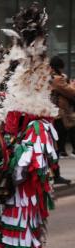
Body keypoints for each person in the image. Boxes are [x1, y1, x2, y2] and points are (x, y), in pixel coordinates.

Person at [0, 5, 58, 248]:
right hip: (30, 192)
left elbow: (28, 164)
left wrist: (8, 170)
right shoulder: (34, 127)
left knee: (20, 228)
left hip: (26, 192)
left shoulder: (36, 128)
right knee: (26, 228)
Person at [49, 56, 75, 185]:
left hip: (55, 116)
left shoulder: (51, 78)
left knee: (56, 147)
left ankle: (54, 173)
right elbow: (71, 92)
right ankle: (55, 174)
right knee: (57, 147)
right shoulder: (57, 79)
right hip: (59, 117)